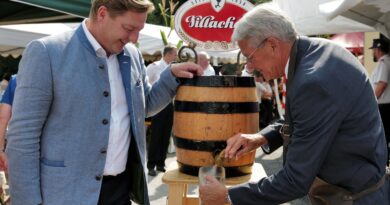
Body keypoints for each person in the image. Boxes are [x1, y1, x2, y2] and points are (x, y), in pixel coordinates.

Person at [6, 1, 203, 205]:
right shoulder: (47, 52)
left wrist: (170, 76)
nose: (134, 39)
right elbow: (23, 136)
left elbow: (144, 107)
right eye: (129, 28)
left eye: (139, 30)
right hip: (64, 194)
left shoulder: (132, 55)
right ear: (102, 14)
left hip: (120, 191)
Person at [199, 4, 389, 205]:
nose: (249, 67)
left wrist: (229, 197)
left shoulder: (313, 81)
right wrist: (262, 137)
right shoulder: (315, 52)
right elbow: (308, 118)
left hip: (355, 198)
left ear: (272, 44)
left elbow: (295, 180)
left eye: (249, 57)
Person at [146, 45, 177, 176]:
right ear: (168, 54)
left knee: (165, 135)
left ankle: (161, 163)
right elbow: (146, 83)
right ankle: (151, 165)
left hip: (169, 105)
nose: (176, 57)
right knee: (156, 135)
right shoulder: (154, 66)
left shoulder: (173, 68)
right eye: (174, 54)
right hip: (157, 105)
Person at [369, 38, 390, 165]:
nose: (373, 53)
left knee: (383, 137)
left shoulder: (383, 63)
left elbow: (382, 84)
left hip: (383, 106)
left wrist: (371, 102)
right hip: (387, 105)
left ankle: (383, 164)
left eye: (374, 50)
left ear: (377, 50)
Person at [0, 75, 16, 171]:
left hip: (18, 145)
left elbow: (3, 118)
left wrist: (1, 149)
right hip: (53, 149)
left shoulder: (16, 80)